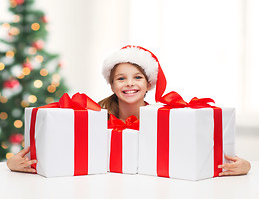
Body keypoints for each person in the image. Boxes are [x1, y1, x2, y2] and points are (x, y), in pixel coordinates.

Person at [7, 45, 250, 176]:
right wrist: (12, 164)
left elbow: (197, 153)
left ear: (148, 84)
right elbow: (55, 150)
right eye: (121, 78)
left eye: (137, 77)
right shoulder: (91, 118)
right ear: (112, 85)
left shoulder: (168, 120)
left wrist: (245, 167)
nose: (130, 83)